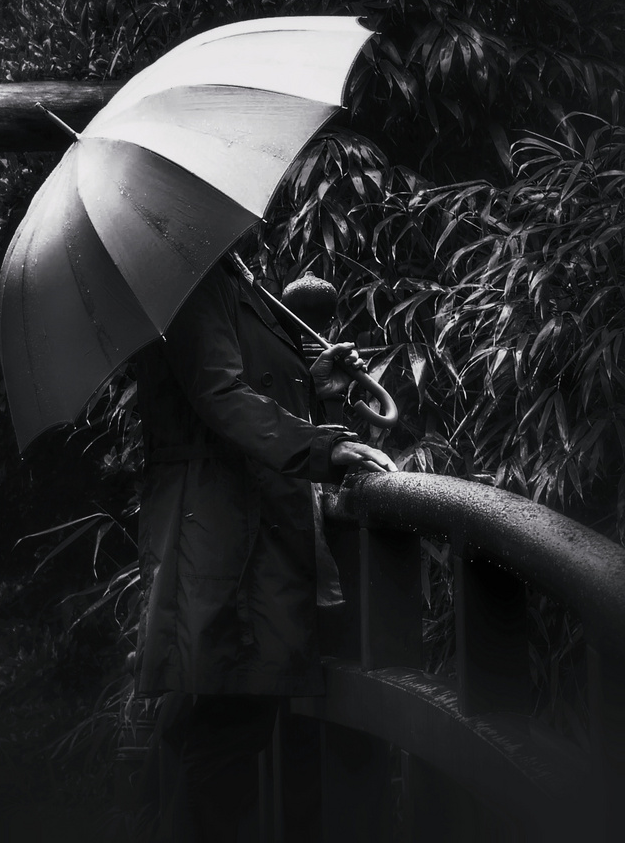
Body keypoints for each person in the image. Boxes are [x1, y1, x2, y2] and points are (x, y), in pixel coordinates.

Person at [134, 251, 396, 842]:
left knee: (225, 724)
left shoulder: (225, 274)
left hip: (249, 529)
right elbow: (220, 394)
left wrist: (316, 383)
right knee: (226, 732)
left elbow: (250, 386)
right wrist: (323, 450)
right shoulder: (190, 279)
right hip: (230, 536)